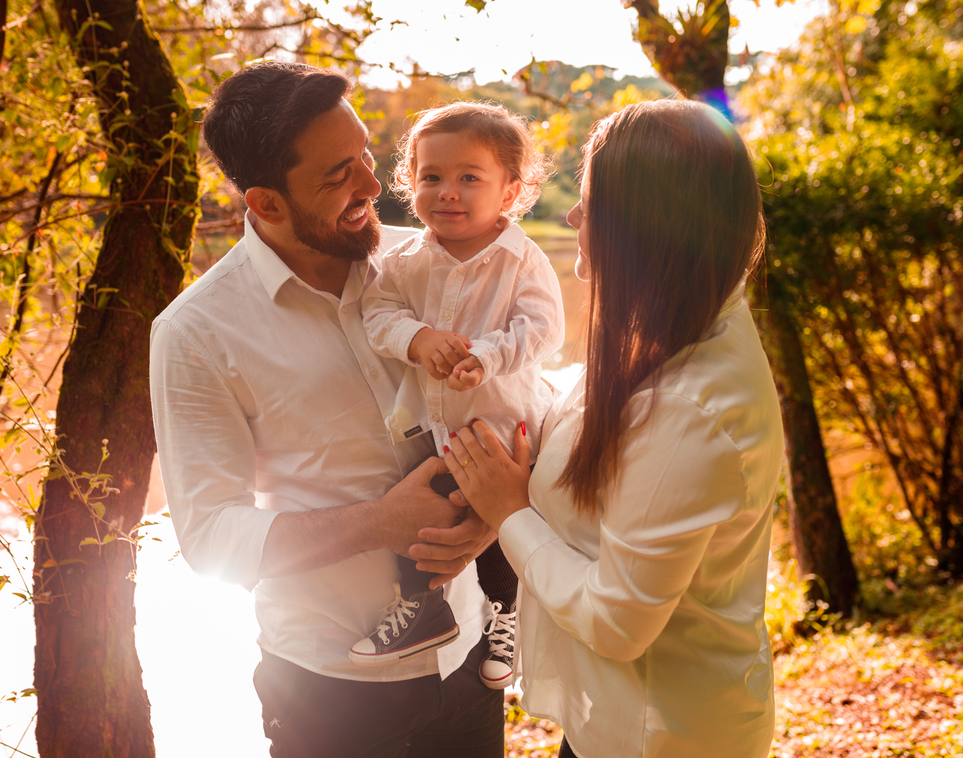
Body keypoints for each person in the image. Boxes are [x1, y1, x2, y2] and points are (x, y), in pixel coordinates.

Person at [149, 62, 505, 757]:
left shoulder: (431, 266)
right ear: (267, 202)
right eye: (340, 173)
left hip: (468, 664)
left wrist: (490, 518)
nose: (374, 185)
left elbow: (518, 408)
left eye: (368, 156)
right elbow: (214, 540)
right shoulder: (195, 333)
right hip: (329, 698)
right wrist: (383, 523)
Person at [441, 99, 784, 757]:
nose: (573, 218)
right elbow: (598, 427)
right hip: (616, 719)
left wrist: (509, 512)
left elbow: (616, 621)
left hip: (664, 734)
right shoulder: (672, 327)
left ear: (644, 229)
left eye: (591, 203)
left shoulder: (693, 406)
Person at [351, 102, 564, 690]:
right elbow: (379, 314)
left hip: (506, 428)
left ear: (511, 192)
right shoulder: (403, 262)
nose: (447, 192)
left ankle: (509, 614)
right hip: (435, 427)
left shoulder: (523, 259)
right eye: (431, 176)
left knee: (495, 524)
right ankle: (425, 608)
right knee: (417, 511)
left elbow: (544, 329)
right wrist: (418, 341)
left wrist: (488, 355)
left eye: (470, 177)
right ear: (409, 182)